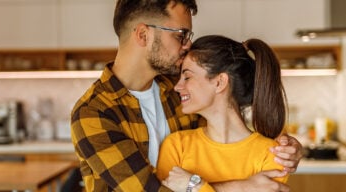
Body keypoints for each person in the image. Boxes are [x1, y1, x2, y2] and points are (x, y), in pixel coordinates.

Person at [70, 0, 303, 191]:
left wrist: (285, 148)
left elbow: (227, 139)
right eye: (181, 35)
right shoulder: (94, 112)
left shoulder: (177, 93)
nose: (188, 44)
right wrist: (239, 187)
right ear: (143, 35)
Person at [156, 35, 290, 192]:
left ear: (219, 82)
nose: (177, 87)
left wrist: (195, 186)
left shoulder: (272, 153)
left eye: (187, 76)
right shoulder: (176, 145)